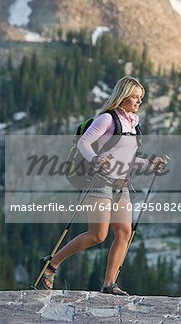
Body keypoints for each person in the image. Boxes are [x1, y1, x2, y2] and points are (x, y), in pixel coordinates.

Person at [41, 76, 165, 295]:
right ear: (123, 96)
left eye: (141, 98)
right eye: (135, 97)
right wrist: (96, 160)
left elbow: (127, 157)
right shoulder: (107, 119)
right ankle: (52, 264)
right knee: (98, 235)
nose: (139, 102)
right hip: (99, 181)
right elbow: (84, 143)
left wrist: (149, 164)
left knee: (124, 233)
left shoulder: (133, 124)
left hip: (121, 183)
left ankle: (109, 285)